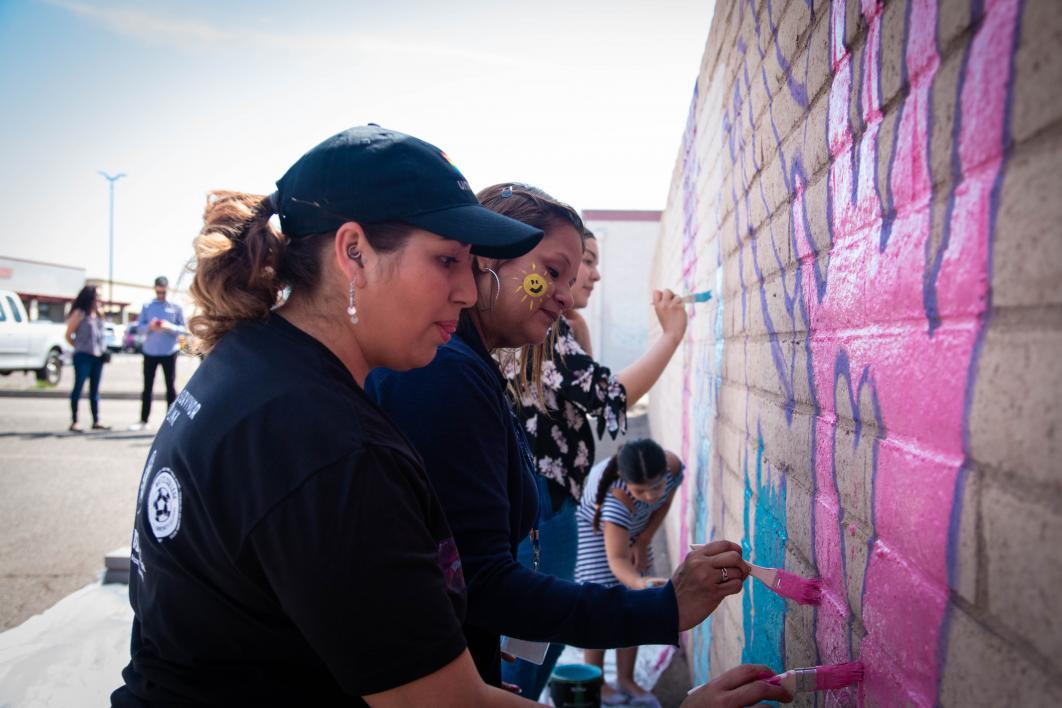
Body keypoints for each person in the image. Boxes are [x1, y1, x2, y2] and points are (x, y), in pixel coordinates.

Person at [111, 125, 559, 707]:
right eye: (446, 259)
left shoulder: (255, 361)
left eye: (469, 264)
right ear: (353, 253)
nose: (467, 292)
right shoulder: (328, 446)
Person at [367, 183, 748, 690]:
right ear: (486, 255)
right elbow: (483, 584)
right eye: (552, 271)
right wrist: (664, 605)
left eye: (574, 274)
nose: (567, 294)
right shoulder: (444, 371)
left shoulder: (467, 361)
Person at [502, 225, 689, 697]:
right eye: (586, 260)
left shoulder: (548, 333)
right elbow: (611, 396)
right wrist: (672, 335)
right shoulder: (548, 335)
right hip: (545, 509)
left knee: (529, 635)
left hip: (537, 508)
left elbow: (567, 396)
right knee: (536, 635)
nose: (594, 275)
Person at [575, 439, 683, 705]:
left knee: (634, 610)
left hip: (632, 527)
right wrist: (640, 584)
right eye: (641, 490)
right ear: (625, 480)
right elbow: (617, 559)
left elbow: (665, 500)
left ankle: (625, 678)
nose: (651, 496)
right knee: (600, 607)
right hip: (596, 530)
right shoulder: (615, 501)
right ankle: (596, 681)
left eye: (656, 485)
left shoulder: (671, 466)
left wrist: (644, 539)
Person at [129, 276, 186, 431]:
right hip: (150, 351)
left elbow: (184, 330)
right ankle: (143, 420)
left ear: (168, 289)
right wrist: (150, 326)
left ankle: (172, 420)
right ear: (155, 289)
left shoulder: (176, 307)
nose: (161, 294)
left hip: (169, 351)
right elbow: (139, 327)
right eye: (158, 291)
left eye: (163, 291)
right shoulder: (148, 306)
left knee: (170, 386)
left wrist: (169, 327)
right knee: (147, 386)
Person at [65, 284, 109, 432]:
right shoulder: (79, 313)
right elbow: (68, 335)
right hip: (83, 356)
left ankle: (96, 420)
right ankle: (74, 421)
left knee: (94, 390)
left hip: (98, 357)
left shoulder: (99, 313)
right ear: (89, 297)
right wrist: (80, 346)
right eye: (97, 296)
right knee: (78, 388)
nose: (99, 299)